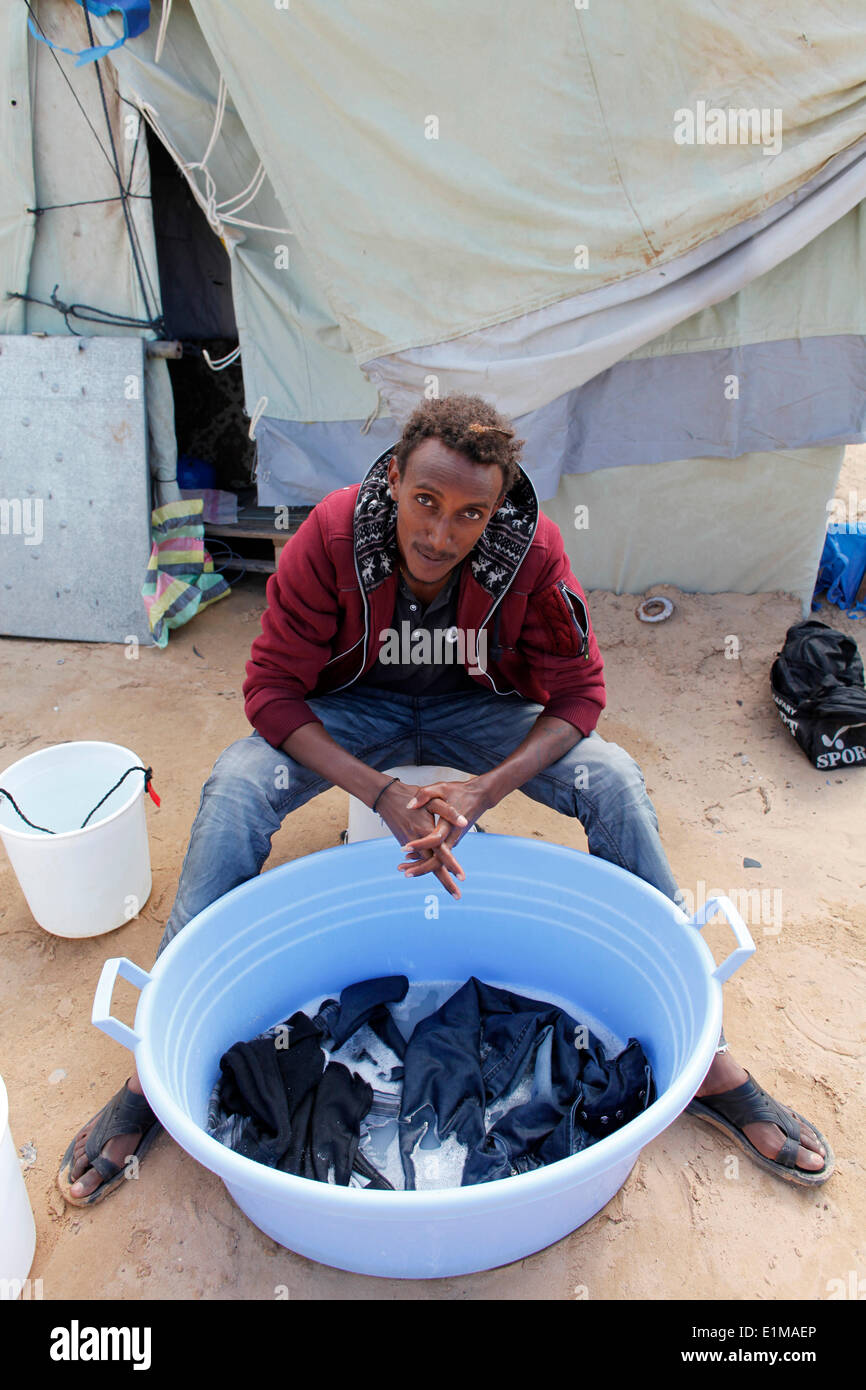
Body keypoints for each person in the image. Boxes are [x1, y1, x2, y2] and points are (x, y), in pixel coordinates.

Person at [59, 393, 833, 1204]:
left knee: (614, 781)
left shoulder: (530, 554)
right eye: (425, 501)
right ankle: (151, 1067)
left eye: (470, 513)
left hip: (481, 717)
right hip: (354, 710)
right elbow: (273, 693)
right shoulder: (329, 536)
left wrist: (485, 788)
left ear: (496, 510)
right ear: (393, 479)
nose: (439, 533)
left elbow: (580, 694)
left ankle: (709, 1060)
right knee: (238, 785)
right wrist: (380, 791)